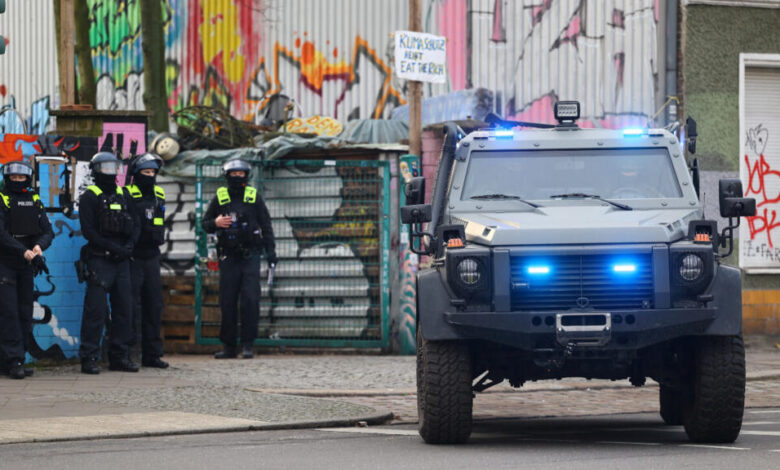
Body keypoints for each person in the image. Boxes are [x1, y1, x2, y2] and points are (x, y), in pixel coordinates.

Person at [202, 159, 277, 359]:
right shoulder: (220, 197)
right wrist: (216, 222)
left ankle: (247, 345)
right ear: (227, 176)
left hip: (250, 256)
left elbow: (266, 226)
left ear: (246, 176)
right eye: (233, 174)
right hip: (228, 257)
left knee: (250, 300)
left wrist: (271, 253)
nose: (237, 177)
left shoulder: (253, 197)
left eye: (240, 174)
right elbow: (205, 223)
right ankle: (229, 347)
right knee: (227, 302)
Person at [78, 152, 140, 374]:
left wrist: (129, 246)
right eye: (105, 168)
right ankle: (89, 357)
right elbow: (89, 231)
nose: (110, 172)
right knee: (95, 311)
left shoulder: (124, 195)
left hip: (122, 260)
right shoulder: (89, 197)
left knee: (125, 309)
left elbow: (136, 224)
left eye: (113, 168)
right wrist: (114, 248)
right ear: (96, 171)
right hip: (100, 259)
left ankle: (119, 357)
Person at [0, 161, 54, 379]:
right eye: (13, 178)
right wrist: (22, 251)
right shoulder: (2, 199)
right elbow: (1, 234)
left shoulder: (34, 200)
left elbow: (48, 230)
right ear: (7, 179)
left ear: (27, 179)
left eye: (21, 178)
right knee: (9, 313)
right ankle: (13, 361)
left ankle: (17, 359)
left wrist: (39, 246)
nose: (17, 181)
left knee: (25, 312)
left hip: (26, 264)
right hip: (5, 262)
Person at [126, 153, 168, 369]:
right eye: (146, 172)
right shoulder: (127, 193)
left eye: (153, 172)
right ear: (136, 173)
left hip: (152, 255)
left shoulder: (159, 194)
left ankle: (152, 355)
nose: (150, 176)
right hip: (133, 257)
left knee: (154, 306)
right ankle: (128, 354)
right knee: (130, 307)